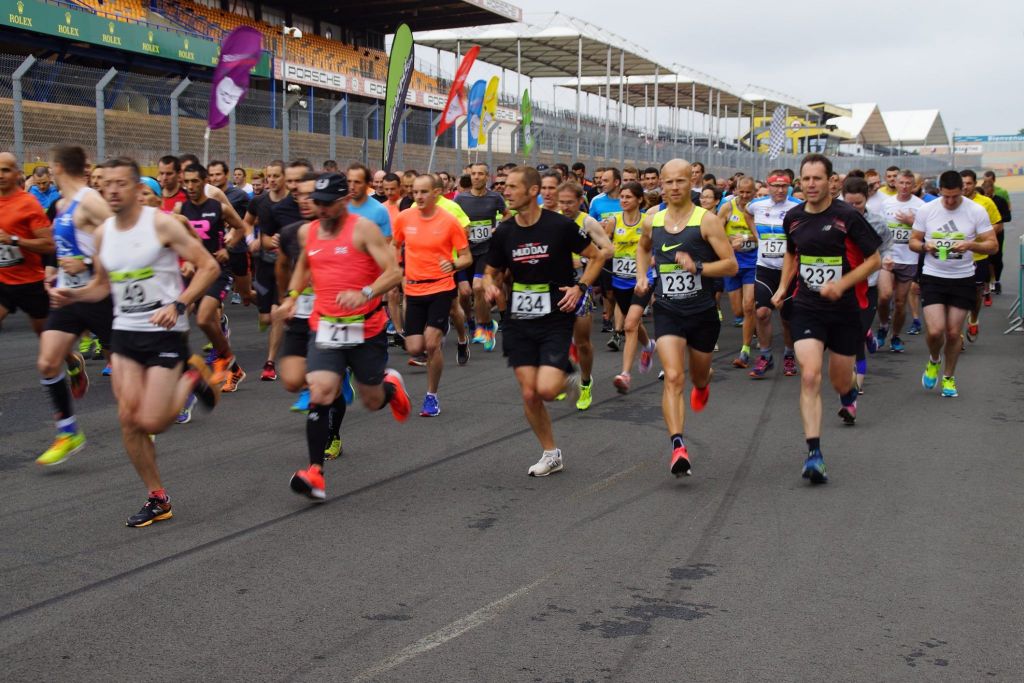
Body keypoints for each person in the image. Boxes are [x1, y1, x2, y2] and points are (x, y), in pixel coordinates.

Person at [49, 156, 221, 527]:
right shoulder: (102, 234)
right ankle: (157, 497)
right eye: (105, 183)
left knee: (154, 422)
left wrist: (179, 303)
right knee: (128, 419)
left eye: (119, 183)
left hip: (163, 331)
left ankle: (192, 376)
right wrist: (72, 295)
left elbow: (209, 267)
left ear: (136, 188)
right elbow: (102, 286)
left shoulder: (161, 224)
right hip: (125, 331)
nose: (111, 189)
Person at [275, 173, 409, 501]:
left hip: (367, 328)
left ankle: (390, 386)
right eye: (316, 203)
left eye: (326, 204)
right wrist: (292, 296)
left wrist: (365, 292)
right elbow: (304, 265)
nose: (319, 209)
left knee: (372, 400)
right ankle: (315, 472)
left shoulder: (362, 229)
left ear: (343, 202)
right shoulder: (309, 232)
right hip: (326, 326)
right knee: (320, 390)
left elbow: (394, 272)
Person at [483, 166, 606, 476]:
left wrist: (580, 288)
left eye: (512, 187)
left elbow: (599, 255)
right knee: (529, 393)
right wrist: (489, 284)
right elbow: (491, 270)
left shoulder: (561, 227)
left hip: (554, 318)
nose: (506, 191)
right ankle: (551, 453)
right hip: (518, 320)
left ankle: (568, 372)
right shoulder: (505, 232)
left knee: (548, 391)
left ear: (533, 191)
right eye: (504, 186)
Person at [773, 154, 881, 484]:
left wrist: (842, 284)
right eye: (805, 179)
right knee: (810, 375)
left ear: (830, 181)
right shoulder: (792, 217)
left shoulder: (847, 216)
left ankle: (847, 395)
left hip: (845, 309)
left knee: (839, 380)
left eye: (817, 179)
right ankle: (814, 454)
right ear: (799, 182)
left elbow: (874, 260)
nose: (810, 184)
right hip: (808, 305)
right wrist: (782, 287)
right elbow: (793, 252)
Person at [35, 145, 114, 466]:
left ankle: (147, 416)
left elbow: (121, 236)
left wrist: (85, 263)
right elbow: (60, 247)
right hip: (69, 297)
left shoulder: (89, 200)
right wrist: (51, 274)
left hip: (100, 295)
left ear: (57, 168)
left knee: (124, 372)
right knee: (47, 362)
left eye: (50, 168)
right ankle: (68, 432)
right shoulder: (61, 204)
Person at [910, 170, 997, 398]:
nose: (950, 201)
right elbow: (913, 240)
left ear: (963, 191)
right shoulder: (927, 209)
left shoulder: (975, 211)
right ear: (939, 191)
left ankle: (949, 377)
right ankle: (934, 359)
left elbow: (992, 245)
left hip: (962, 278)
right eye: (946, 196)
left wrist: (970, 246)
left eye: (955, 197)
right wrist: (924, 247)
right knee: (935, 331)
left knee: (952, 332)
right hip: (933, 276)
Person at [392, 175, 472, 416]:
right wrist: (398, 273)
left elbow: (467, 257)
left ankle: (431, 396)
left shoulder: (449, 221)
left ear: (437, 192)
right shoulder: (404, 218)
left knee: (431, 343)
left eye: (424, 192)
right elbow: (394, 245)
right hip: (414, 289)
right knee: (414, 347)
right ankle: (455, 337)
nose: (418, 196)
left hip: (440, 287)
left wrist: (454, 263)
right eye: (415, 192)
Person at [177, 163, 248, 402]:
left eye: (195, 181)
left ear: (204, 181)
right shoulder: (180, 208)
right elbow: (178, 240)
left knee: (205, 318)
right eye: (186, 182)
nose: (190, 186)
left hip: (217, 269)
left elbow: (241, 227)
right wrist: (186, 259)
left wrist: (228, 247)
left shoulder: (218, 207)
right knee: (176, 325)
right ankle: (227, 366)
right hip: (192, 272)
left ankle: (223, 359)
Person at [557, 180, 614, 410]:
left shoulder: (587, 222)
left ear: (581, 201)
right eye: (562, 203)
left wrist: (582, 259)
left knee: (582, 342)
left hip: (581, 284)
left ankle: (585, 382)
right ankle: (562, 377)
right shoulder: (552, 219)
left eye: (570, 202)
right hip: (556, 285)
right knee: (555, 337)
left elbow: (608, 249)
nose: (565, 207)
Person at [746, 170, 803, 378]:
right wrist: (755, 235)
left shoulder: (797, 206)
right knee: (761, 312)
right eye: (775, 186)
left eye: (784, 186)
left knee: (787, 319)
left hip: (788, 271)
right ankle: (765, 355)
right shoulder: (757, 205)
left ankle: (789, 354)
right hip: (765, 267)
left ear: (789, 187)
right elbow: (747, 213)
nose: (780, 190)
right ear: (768, 187)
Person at [841, 176, 893, 394]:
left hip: (867, 284)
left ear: (867, 199)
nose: (853, 208)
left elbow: (887, 247)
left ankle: (856, 384)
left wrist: (887, 259)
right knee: (848, 332)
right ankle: (868, 336)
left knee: (856, 333)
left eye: (858, 204)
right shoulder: (835, 220)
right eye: (849, 204)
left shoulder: (877, 222)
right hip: (842, 285)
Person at [607, 181, 656, 393]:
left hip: (644, 280)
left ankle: (625, 374)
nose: (624, 200)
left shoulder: (648, 222)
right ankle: (649, 346)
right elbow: (604, 244)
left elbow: (656, 247)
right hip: (620, 280)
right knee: (633, 323)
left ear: (639, 199)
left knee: (629, 325)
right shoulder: (614, 221)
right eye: (622, 197)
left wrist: (651, 260)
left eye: (628, 197)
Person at [0, 152, 55, 336]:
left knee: (44, 334)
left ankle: (71, 359)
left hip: (30, 282)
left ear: (17, 174)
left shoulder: (28, 204)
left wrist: (14, 240)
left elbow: (48, 245)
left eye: (5, 170)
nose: (0, 175)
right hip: (3, 281)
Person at [875, 169, 925, 352]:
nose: (904, 187)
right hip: (888, 256)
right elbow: (878, 229)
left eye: (908, 184)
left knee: (900, 302)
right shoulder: (886, 204)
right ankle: (882, 326)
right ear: (895, 184)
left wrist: (911, 221)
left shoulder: (920, 206)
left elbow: (926, 232)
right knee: (884, 296)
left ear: (914, 186)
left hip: (909, 258)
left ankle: (895, 336)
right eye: (901, 183)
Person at [718, 177, 758, 368]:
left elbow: (764, 237)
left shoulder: (758, 210)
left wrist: (745, 238)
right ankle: (753, 327)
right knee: (738, 311)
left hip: (752, 262)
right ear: (736, 190)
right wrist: (729, 243)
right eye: (741, 192)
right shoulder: (727, 208)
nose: (744, 196)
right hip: (732, 263)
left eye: (748, 192)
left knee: (749, 305)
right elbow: (716, 233)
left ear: (754, 192)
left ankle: (745, 350)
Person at [960, 169, 1002, 341]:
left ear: (975, 184)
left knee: (976, 293)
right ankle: (958, 334)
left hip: (979, 257)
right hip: (958, 259)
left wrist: (984, 235)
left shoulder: (985, 203)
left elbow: (998, 225)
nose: (965, 187)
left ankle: (974, 319)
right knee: (959, 296)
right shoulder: (953, 202)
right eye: (962, 183)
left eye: (969, 183)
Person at [209, 160, 253, 306]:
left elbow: (251, 218)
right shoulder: (207, 195)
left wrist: (237, 228)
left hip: (237, 250)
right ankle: (219, 321)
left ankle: (266, 308)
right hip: (217, 252)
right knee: (212, 297)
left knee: (246, 294)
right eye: (211, 175)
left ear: (226, 175)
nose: (214, 178)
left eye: (218, 174)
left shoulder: (239, 195)